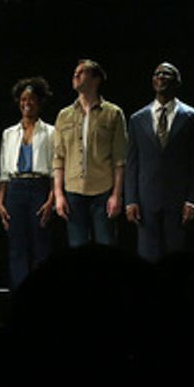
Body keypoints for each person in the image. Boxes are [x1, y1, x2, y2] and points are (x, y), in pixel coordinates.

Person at [124, 62, 194, 261]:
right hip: (146, 200)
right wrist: (131, 200)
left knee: (176, 258)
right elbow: (132, 162)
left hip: (178, 200)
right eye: (157, 74)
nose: (161, 77)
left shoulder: (193, 117)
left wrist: (193, 199)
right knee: (147, 258)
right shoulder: (137, 118)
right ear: (152, 81)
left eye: (167, 74)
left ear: (177, 82)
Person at [52, 59, 128, 247]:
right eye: (75, 72)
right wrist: (59, 194)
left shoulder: (113, 113)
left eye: (82, 72)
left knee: (106, 245)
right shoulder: (64, 115)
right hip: (73, 192)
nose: (76, 75)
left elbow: (120, 159)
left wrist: (116, 195)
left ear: (96, 79)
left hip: (102, 191)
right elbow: (58, 159)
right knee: (77, 248)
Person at [0, 77, 56, 287]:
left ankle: (39, 293)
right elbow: (4, 172)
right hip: (15, 189)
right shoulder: (9, 133)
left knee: (41, 245)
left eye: (31, 99)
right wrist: (1, 202)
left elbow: (54, 171)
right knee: (17, 246)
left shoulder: (50, 132)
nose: (26, 103)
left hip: (39, 187)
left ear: (39, 102)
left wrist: (52, 201)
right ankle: (19, 293)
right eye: (23, 99)